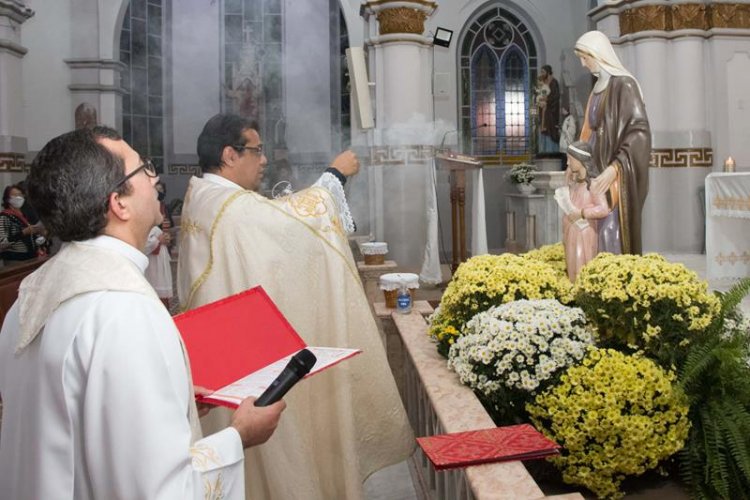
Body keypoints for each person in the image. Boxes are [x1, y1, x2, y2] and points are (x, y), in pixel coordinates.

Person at [0, 126, 286, 499]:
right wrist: (238, 437)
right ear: (119, 203)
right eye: (144, 169)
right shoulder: (124, 311)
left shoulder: (31, 295)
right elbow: (159, 490)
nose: (155, 178)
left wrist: (173, 402)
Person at [177, 113, 414, 500]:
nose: (264, 159)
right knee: (274, 461)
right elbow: (288, 226)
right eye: (256, 150)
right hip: (244, 368)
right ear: (229, 155)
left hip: (225, 360)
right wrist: (334, 176)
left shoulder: (203, 195)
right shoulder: (227, 206)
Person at [575, 30, 651, 255]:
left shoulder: (624, 85)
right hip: (594, 169)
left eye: (584, 57)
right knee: (592, 228)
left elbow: (639, 131)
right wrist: (576, 163)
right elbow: (587, 133)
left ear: (598, 54)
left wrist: (614, 169)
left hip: (615, 172)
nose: (582, 64)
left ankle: (614, 281)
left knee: (610, 229)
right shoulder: (596, 90)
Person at [561, 141, 610, 281]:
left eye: (570, 160)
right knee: (571, 266)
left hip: (585, 233)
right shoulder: (576, 185)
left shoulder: (593, 185)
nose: (568, 164)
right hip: (571, 232)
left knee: (582, 266)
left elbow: (603, 209)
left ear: (580, 160)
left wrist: (582, 213)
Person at [0, 185, 44, 263]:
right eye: (15, 195)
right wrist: (23, 233)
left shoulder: (22, 214)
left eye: (20, 195)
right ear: (8, 199)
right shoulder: (4, 216)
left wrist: (37, 234)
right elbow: (2, 243)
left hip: (30, 257)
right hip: (15, 259)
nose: (19, 197)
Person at [537, 64, 560, 153]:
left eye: (543, 72)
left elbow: (556, 96)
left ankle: (552, 151)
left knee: (551, 131)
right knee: (544, 131)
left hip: (551, 112)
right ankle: (544, 151)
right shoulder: (543, 83)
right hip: (544, 111)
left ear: (547, 72)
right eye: (541, 72)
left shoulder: (554, 82)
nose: (542, 74)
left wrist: (547, 100)